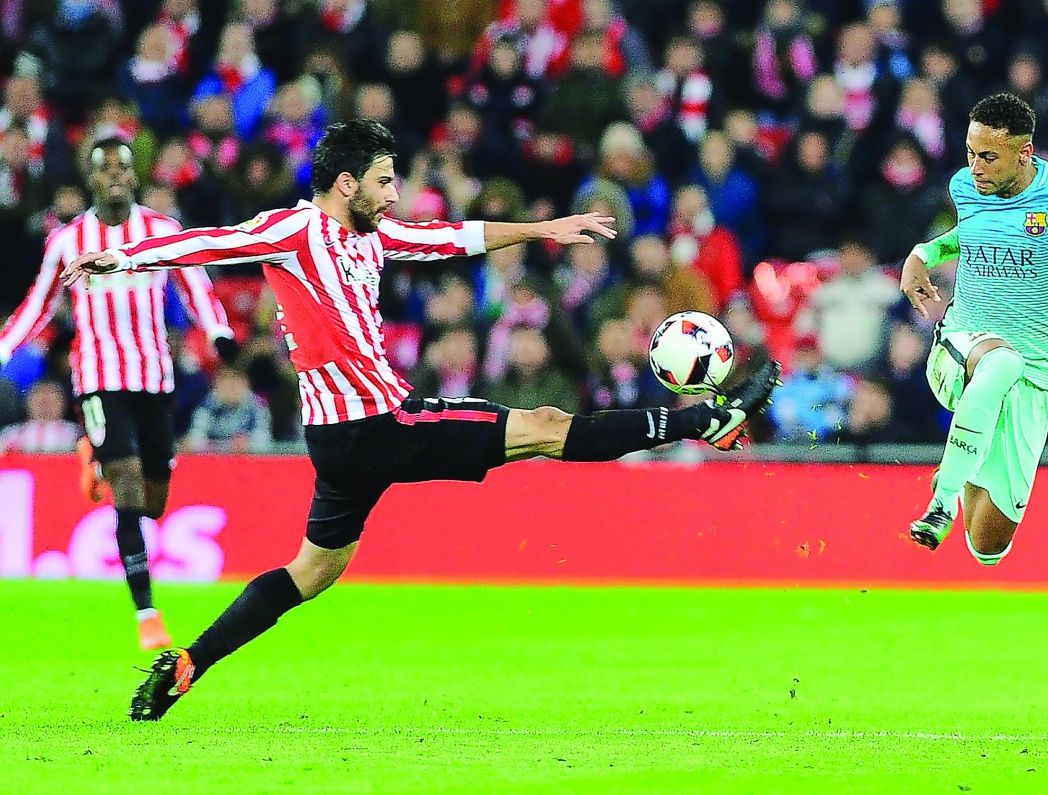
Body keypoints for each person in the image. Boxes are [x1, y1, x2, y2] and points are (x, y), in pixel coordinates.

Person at [60, 120, 781, 722]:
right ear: (346, 184)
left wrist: (545, 228)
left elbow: (452, 238)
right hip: (381, 421)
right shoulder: (293, 229)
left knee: (312, 571)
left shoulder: (372, 237)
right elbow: (207, 242)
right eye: (383, 179)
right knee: (546, 426)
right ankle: (706, 420)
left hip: (340, 443)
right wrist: (120, 258)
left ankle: (188, 663)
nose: (393, 191)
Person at [0, 136, 236, 650]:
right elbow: (37, 305)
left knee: (154, 502)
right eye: (103, 167)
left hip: (154, 378)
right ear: (91, 178)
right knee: (128, 489)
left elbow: (197, 287)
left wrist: (218, 332)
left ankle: (93, 455)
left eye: (121, 167)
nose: (112, 176)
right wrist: (3, 348)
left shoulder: (162, 232)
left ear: (134, 177)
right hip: (99, 378)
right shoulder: (68, 241)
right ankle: (148, 614)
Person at [899, 94, 1048, 565]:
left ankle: (967, 456)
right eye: (970, 153)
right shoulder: (965, 187)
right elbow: (966, 238)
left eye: (988, 157)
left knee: (988, 546)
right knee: (999, 361)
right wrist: (922, 254)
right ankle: (942, 500)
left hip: (1032, 379)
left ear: (1024, 153)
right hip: (961, 348)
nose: (976, 167)